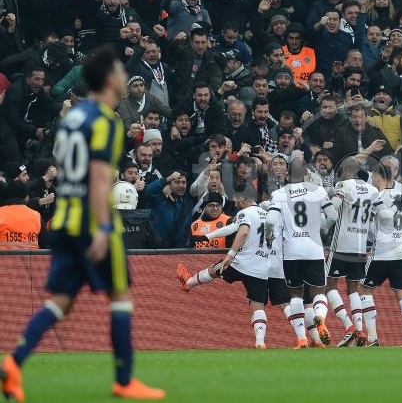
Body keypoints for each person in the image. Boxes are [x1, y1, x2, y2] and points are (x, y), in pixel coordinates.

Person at [0, 47, 165, 401]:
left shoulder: (72, 118)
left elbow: (65, 165)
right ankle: (124, 379)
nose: (124, 77)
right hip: (92, 220)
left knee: (61, 300)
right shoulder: (105, 121)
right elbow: (101, 176)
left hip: (64, 218)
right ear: (109, 79)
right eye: (120, 72)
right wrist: (105, 229)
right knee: (120, 295)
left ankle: (14, 363)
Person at [177, 187, 276, 349]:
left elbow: (242, 232)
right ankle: (260, 341)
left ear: (243, 198)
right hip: (261, 266)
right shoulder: (269, 215)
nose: (236, 202)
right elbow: (234, 228)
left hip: (242, 263)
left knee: (215, 269)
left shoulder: (246, 213)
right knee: (258, 305)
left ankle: (188, 283)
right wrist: (206, 236)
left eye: (237, 199)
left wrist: (231, 254)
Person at [264, 158, 337, 348]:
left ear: (288, 172)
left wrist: (269, 236)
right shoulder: (318, 191)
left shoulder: (279, 193)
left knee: (295, 294)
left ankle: (302, 339)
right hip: (313, 248)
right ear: (306, 172)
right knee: (319, 291)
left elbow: (271, 220)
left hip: (292, 251)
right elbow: (333, 216)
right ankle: (320, 318)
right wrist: (321, 228)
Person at [359, 164, 402, 347]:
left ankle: (372, 337)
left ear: (377, 177)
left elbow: (364, 220)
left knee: (365, 290)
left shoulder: (376, 198)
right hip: (401, 252)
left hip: (380, 254)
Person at [325, 158, 379, 347]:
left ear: (349, 169)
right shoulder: (373, 191)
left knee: (329, 285)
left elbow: (333, 206)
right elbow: (376, 215)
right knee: (353, 288)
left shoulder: (344, 184)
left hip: (341, 244)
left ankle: (350, 327)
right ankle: (360, 330)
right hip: (359, 246)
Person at [0, 181, 44, 250]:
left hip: (4, 260)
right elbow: (45, 242)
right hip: (31, 260)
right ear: (26, 197)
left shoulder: (1, 213)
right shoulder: (36, 216)